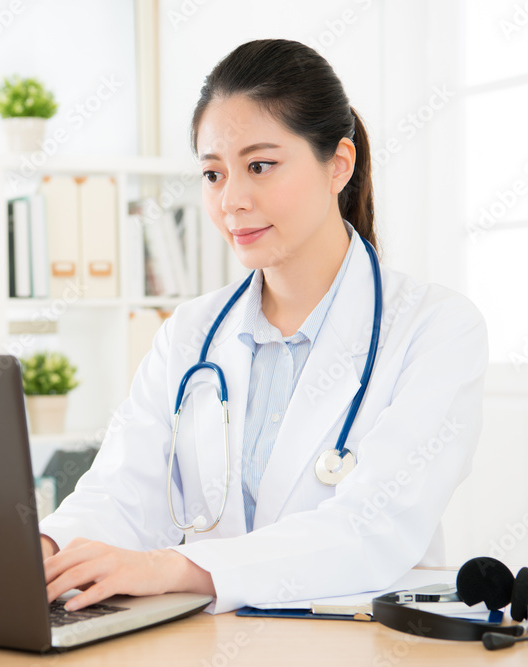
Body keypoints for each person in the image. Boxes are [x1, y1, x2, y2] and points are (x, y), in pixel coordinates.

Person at [39, 38, 488, 615]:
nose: (232, 200)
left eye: (260, 165)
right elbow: (122, 490)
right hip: (211, 642)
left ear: (339, 165)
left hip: (358, 642)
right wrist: (43, 552)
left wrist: (175, 568)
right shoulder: (190, 333)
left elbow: (374, 529)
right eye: (212, 173)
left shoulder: (435, 329)